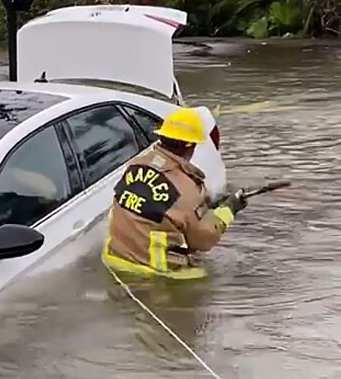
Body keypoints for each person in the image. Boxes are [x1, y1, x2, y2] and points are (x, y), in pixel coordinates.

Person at [101, 106, 247, 280]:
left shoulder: (135, 167)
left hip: (115, 260)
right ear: (190, 146)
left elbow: (157, 207)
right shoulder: (186, 188)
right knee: (204, 278)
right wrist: (229, 209)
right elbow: (203, 240)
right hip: (154, 273)